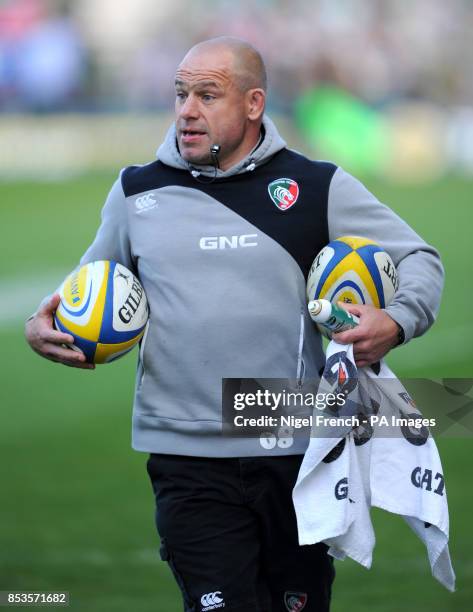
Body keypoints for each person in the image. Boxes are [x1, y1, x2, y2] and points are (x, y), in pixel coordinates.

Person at [25, 37, 444, 612]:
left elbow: (421, 258)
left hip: (295, 447)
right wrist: (42, 326)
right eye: (180, 93)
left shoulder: (314, 186)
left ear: (253, 104)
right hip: (186, 459)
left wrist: (396, 322)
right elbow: (85, 291)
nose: (186, 110)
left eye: (206, 94)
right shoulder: (137, 190)